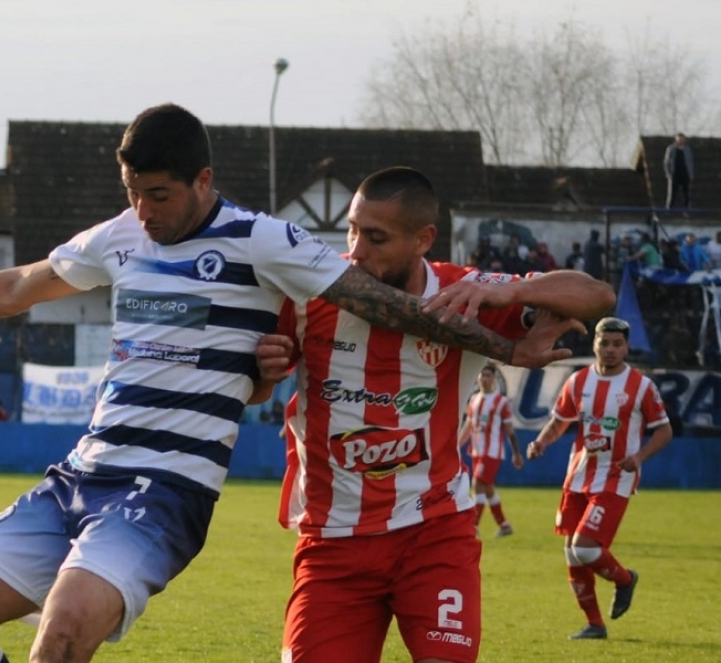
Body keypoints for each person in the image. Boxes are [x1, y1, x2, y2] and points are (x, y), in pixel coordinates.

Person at [0, 105, 576, 663]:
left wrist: (507, 344)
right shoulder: (118, 235)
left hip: (164, 487)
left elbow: (385, 304)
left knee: (61, 630)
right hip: (80, 476)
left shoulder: (263, 240)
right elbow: (20, 284)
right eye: (132, 192)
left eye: (158, 194)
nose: (143, 211)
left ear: (202, 180)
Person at [255, 166, 615, 663]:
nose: (356, 249)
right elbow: (255, 393)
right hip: (333, 543)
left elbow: (598, 296)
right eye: (353, 230)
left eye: (376, 238)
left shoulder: (465, 291)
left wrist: (509, 292)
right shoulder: (310, 293)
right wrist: (263, 372)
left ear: (423, 239)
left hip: (434, 535)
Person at [527, 317, 673, 641]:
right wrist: (540, 442)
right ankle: (595, 624)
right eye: (604, 343)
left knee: (586, 549)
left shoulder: (641, 386)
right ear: (594, 344)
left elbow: (664, 430)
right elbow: (559, 422)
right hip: (578, 477)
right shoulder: (578, 382)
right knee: (571, 553)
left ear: (626, 347)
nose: (609, 350)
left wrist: (639, 457)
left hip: (615, 479)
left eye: (616, 344)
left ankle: (624, 579)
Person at [457, 363, 524, 538]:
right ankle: (504, 525)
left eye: (488, 375)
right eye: (482, 375)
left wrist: (516, 453)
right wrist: (456, 445)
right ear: (477, 377)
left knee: (477, 485)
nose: (485, 379)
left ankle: (473, 528)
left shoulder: (501, 402)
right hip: (477, 451)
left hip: (492, 452)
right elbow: (469, 426)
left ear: (494, 379)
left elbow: (509, 429)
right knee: (488, 489)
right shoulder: (474, 399)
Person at [663, 133, 693, 209]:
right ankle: (669, 209)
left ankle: (687, 210)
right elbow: (666, 162)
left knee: (686, 194)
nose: (680, 140)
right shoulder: (671, 149)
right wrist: (668, 173)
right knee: (672, 193)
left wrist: (691, 174)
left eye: (682, 139)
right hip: (674, 173)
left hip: (685, 174)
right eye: (679, 138)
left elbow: (690, 162)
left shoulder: (687, 149)